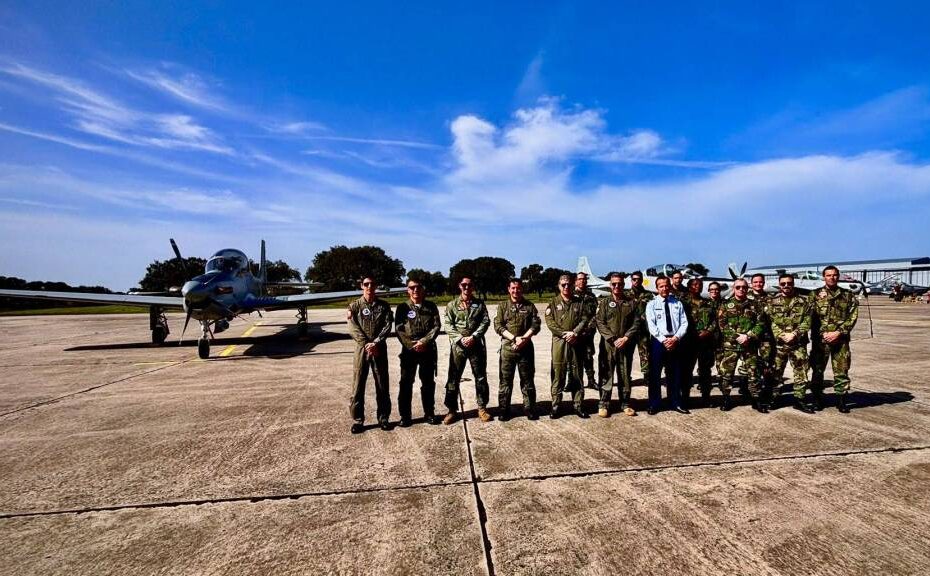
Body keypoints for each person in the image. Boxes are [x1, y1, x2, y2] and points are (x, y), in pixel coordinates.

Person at [347, 276, 394, 434]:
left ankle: (383, 418)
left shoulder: (384, 306)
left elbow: (388, 326)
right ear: (361, 286)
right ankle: (358, 420)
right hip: (361, 349)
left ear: (376, 286)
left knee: (382, 384)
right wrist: (366, 344)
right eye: (366, 284)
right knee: (358, 385)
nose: (369, 286)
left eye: (372, 284)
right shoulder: (354, 306)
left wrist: (376, 343)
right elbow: (352, 327)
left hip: (379, 349)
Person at [808, 266, 859, 413]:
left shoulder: (847, 295)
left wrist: (839, 332)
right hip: (820, 341)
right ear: (824, 277)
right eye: (829, 275)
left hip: (840, 341)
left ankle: (841, 401)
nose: (832, 277)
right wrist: (822, 333)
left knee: (842, 371)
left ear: (838, 276)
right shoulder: (814, 295)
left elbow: (852, 316)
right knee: (817, 371)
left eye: (835, 275)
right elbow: (809, 317)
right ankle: (817, 399)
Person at [443, 277, 492, 424]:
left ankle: (482, 408)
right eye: (464, 285)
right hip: (458, 347)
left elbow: (485, 321)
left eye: (469, 285)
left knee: (481, 377)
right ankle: (452, 410)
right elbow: (448, 325)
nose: (466, 287)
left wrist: (474, 336)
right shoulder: (452, 305)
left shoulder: (479, 304)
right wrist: (459, 338)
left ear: (473, 287)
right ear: (459, 286)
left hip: (476, 346)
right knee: (453, 379)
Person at [394, 278, 442, 426]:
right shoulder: (402, 307)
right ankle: (405, 416)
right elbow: (399, 329)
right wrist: (411, 344)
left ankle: (429, 413)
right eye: (412, 287)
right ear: (408, 290)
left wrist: (424, 342)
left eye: (418, 287)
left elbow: (436, 326)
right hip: (409, 351)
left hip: (427, 350)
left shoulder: (431, 306)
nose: (415, 290)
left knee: (428, 383)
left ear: (423, 289)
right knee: (406, 383)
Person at [493, 278, 542, 420]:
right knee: (505, 382)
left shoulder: (529, 306)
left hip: (526, 349)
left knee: (527, 380)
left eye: (518, 288)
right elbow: (498, 326)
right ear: (509, 289)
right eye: (513, 288)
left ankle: (529, 408)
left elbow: (536, 325)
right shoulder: (503, 306)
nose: (516, 291)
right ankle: (503, 409)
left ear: (522, 289)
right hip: (508, 349)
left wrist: (524, 339)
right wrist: (514, 338)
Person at [545, 274, 592, 419]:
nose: (566, 287)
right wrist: (564, 334)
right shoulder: (553, 303)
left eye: (569, 284)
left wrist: (575, 333)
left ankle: (578, 405)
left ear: (573, 285)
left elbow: (585, 319)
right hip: (559, 343)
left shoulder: (579, 302)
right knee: (558, 375)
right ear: (559, 286)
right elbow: (550, 322)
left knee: (577, 374)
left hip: (576, 343)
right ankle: (556, 405)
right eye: (563, 285)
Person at [595, 272, 642, 417]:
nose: (617, 286)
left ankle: (625, 403)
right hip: (609, 346)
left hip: (625, 345)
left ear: (624, 285)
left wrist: (626, 337)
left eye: (620, 284)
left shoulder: (631, 302)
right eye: (614, 284)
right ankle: (604, 404)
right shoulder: (604, 303)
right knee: (606, 374)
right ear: (610, 285)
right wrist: (611, 338)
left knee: (625, 375)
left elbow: (637, 322)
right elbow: (600, 322)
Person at [767, 273, 815, 414]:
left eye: (789, 283)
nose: (786, 286)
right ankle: (774, 398)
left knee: (801, 372)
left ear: (793, 284)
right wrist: (782, 335)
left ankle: (799, 399)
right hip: (779, 344)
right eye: (783, 284)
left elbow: (808, 320)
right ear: (779, 285)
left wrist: (795, 334)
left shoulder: (804, 302)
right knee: (776, 373)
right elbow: (770, 321)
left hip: (798, 343)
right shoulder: (772, 301)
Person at [717, 278, 767, 412]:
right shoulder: (725, 305)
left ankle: (756, 399)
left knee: (753, 373)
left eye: (744, 287)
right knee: (727, 374)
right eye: (738, 287)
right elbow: (723, 325)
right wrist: (737, 337)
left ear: (748, 289)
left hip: (749, 345)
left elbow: (760, 323)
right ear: (734, 289)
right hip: (731, 345)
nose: (741, 290)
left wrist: (748, 336)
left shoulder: (755, 305)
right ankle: (726, 398)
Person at [644, 277, 689, 415]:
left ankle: (675, 402)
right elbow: (651, 325)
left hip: (675, 341)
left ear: (670, 287)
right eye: (661, 286)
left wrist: (675, 338)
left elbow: (684, 323)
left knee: (675, 374)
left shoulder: (677, 304)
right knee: (655, 375)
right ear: (657, 288)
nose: (664, 288)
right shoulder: (651, 304)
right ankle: (654, 403)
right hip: (658, 342)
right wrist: (664, 340)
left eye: (666, 286)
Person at [681, 278, 717, 404]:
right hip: (688, 342)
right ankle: (685, 397)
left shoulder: (708, 303)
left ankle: (706, 397)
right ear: (689, 287)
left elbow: (714, 320)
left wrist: (708, 331)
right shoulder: (683, 303)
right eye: (695, 284)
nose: (698, 286)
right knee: (686, 370)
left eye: (700, 285)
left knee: (705, 370)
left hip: (705, 342)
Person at [747, 273, 777, 405]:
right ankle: (751, 393)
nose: (758, 284)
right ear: (751, 283)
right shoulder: (745, 297)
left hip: (766, 338)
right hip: (750, 338)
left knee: (767, 364)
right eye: (755, 282)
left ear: (763, 283)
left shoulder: (770, 299)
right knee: (750, 366)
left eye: (760, 282)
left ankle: (767, 392)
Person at [625, 270, 652, 385]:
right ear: (631, 280)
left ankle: (647, 377)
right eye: (634, 279)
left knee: (645, 354)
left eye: (639, 279)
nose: (637, 281)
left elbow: (652, 311)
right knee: (627, 355)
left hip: (643, 330)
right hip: (629, 331)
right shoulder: (625, 295)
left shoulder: (648, 295)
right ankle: (626, 377)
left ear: (642, 280)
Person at [574, 272, 599, 390]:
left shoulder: (591, 296)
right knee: (572, 358)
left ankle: (591, 380)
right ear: (576, 281)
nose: (582, 281)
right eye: (580, 279)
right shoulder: (571, 295)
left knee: (588, 356)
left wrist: (590, 328)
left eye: (584, 279)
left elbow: (595, 314)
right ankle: (572, 381)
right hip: (574, 332)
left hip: (588, 333)